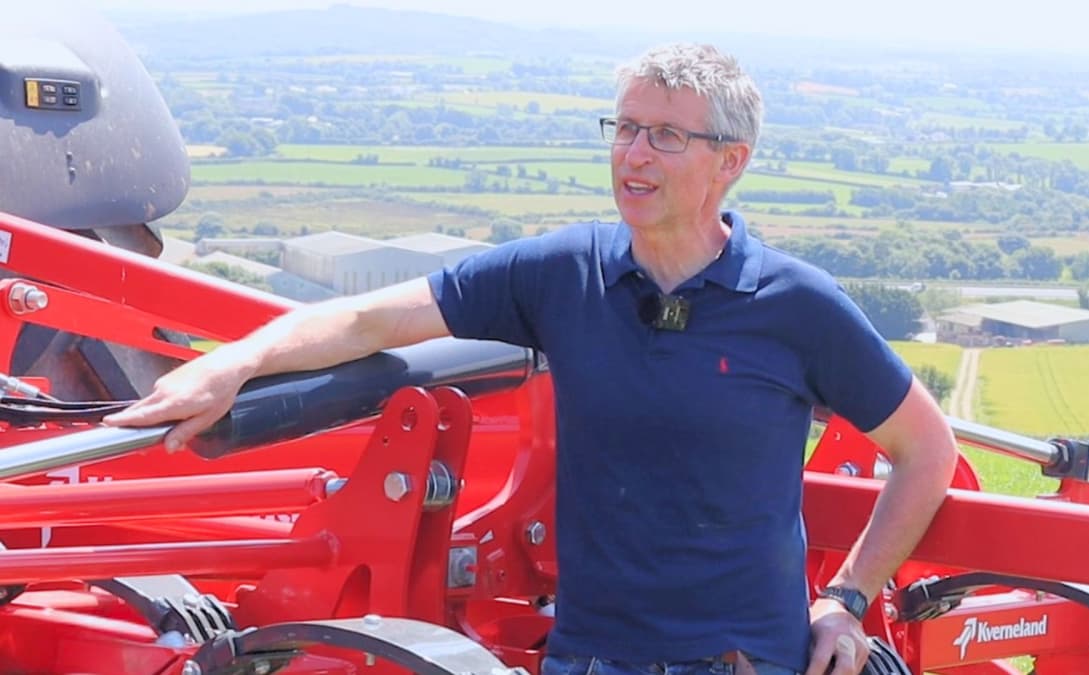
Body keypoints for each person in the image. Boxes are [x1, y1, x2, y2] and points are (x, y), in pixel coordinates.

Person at [105, 43, 957, 675]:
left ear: (729, 162)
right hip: (589, 659)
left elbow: (927, 450)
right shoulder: (563, 274)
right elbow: (370, 317)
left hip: (739, 662)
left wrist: (845, 599)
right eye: (624, 128)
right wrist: (235, 365)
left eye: (664, 136)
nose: (632, 154)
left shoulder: (797, 306)